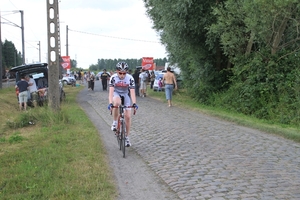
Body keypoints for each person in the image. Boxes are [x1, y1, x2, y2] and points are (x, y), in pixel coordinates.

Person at [108, 61, 138, 147]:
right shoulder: (113, 78)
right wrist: (110, 103)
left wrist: (134, 103)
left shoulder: (130, 78)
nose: (122, 75)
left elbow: (132, 93)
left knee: (128, 117)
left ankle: (127, 137)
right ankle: (114, 122)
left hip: (125, 94)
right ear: (117, 72)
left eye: (124, 73)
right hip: (116, 93)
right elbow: (110, 93)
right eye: (120, 73)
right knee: (117, 102)